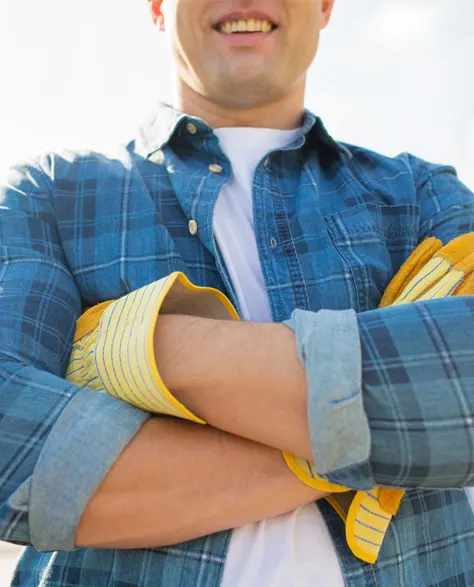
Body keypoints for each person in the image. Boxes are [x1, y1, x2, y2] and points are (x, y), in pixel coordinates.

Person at [0, 0, 473, 585]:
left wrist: (151, 348)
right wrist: (396, 436)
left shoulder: (423, 196)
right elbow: (11, 456)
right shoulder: (49, 195)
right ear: (155, 7)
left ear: (325, 6)